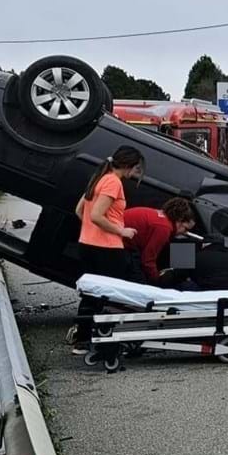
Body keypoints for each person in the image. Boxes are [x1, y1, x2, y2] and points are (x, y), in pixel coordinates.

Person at [71, 146, 145, 355]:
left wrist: (91, 230)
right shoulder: (113, 182)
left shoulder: (99, 178)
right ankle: (109, 340)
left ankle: (83, 339)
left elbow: (80, 211)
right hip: (107, 248)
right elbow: (96, 215)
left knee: (91, 294)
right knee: (112, 295)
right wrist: (121, 231)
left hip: (87, 243)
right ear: (130, 166)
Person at [122, 197, 197, 284]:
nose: (184, 233)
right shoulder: (164, 228)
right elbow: (147, 260)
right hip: (121, 244)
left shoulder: (160, 216)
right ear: (179, 220)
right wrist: (157, 280)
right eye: (185, 229)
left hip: (121, 240)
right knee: (140, 284)